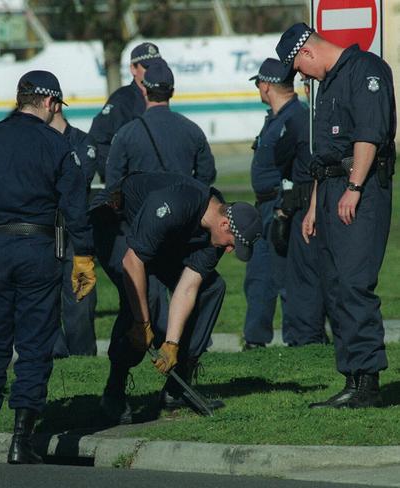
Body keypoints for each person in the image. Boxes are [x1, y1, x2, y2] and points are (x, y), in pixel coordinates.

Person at [0, 70, 96, 464]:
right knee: (34, 346)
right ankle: (21, 442)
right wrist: (83, 255)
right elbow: (75, 207)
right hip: (39, 249)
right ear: (50, 104)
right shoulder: (57, 146)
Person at [276, 23, 396, 408]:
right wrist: (313, 205)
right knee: (333, 284)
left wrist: (355, 187)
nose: (301, 78)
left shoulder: (366, 69)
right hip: (329, 189)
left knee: (353, 282)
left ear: (307, 53)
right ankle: (351, 376)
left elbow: (369, 135)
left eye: (299, 69)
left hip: (356, 187)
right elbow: (324, 154)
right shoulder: (327, 83)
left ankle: (367, 382)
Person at [96, 172, 261, 423]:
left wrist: (172, 343)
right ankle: (114, 390)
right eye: (232, 244)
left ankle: (177, 387)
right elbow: (133, 261)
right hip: (118, 222)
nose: (229, 250)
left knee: (212, 287)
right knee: (145, 296)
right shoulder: (178, 203)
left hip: (161, 241)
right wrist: (143, 325)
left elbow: (187, 287)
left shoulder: (213, 236)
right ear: (225, 225)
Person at [271, 75, 331, 346]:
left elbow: (280, 157)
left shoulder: (301, 122)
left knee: (304, 276)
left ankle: (307, 337)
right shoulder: (339, 118)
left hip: (306, 204)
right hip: (336, 203)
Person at [242, 59, 298, 350]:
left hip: (280, 205)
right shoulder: (276, 118)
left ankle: (298, 338)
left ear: (265, 85)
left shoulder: (293, 118)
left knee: (285, 275)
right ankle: (255, 339)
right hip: (263, 207)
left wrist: (283, 208)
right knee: (259, 275)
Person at [105, 58, 216, 188]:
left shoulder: (126, 133)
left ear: (144, 90)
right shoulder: (193, 130)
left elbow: (113, 180)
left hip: (141, 205)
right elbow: (207, 174)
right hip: (181, 204)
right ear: (172, 92)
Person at [48, 103, 98, 358]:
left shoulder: (82, 141)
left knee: (80, 299)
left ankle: (82, 360)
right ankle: (55, 356)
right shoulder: (37, 140)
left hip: (72, 232)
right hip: (45, 231)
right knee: (44, 300)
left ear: (54, 105)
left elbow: (78, 182)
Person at [87, 42, 162, 181]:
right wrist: (116, 176)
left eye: (157, 66)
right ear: (133, 69)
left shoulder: (161, 96)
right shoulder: (122, 100)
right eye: (147, 67)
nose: (152, 71)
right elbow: (98, 139)